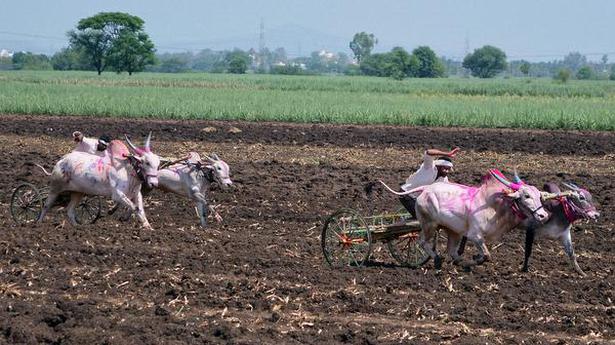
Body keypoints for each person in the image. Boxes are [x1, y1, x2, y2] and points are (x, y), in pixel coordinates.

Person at [399, 147, 460, 217]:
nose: (447, 171)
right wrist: (447, 154)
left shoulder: (444, 179)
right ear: (438, 166)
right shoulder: (428, 167)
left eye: (448, 169)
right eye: (444, 168)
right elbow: (429, 152)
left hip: (419, 199)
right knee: (422, 217)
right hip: (406, 194)